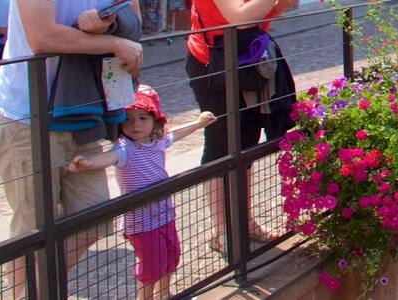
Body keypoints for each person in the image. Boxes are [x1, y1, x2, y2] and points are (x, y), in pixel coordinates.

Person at [0, 0, 143, 295]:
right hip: (27, 114)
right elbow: (42, 37)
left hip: (83, 110)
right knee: (33, 227)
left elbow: (133, 19)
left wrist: (111, 25)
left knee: (92, 215)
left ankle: (38, 293)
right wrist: (113, 42)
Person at [67, 86, 216, 300]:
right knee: (151, 264)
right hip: (141, 222)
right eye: (128, 119)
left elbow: (176, 134)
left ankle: (164, 292)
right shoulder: (125, 149)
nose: (135, 125)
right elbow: (108, 158)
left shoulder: (157, 142)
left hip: (165, 214)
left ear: (155, 120)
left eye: (142, 118)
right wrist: (88, 163)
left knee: (171, 255)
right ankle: (144, 297)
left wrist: (199, 124)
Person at [187, 0, 298, 251]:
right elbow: (239, 17)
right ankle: (222, 231)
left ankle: (245, 222)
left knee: (247, 140)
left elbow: (269, 11)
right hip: (213, 63)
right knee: (221, 143)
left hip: (246, 59)